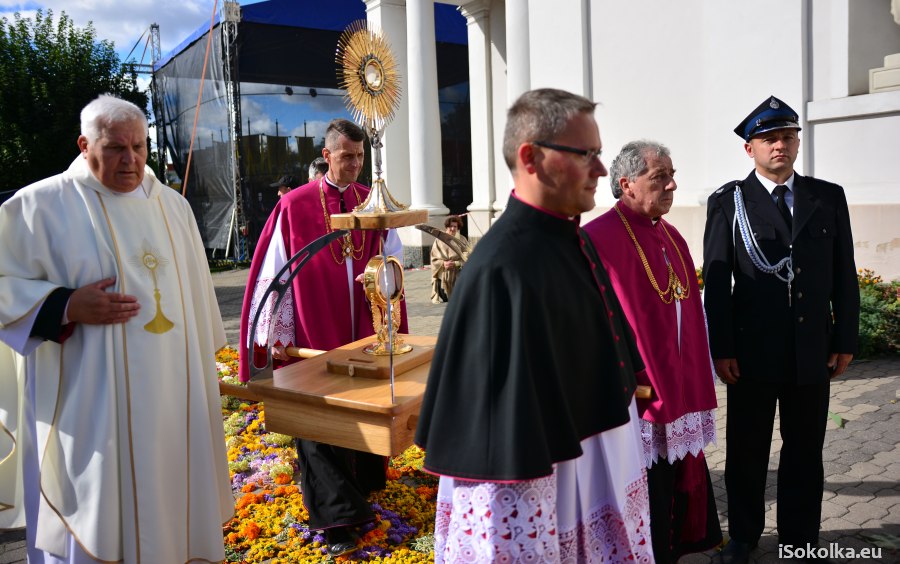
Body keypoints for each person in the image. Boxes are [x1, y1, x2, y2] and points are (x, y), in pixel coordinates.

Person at [415, 88, 653, 563]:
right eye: (587, 155)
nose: (602, 171)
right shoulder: (501, 269)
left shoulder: (568, 237)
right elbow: (496, 461)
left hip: (595, 465)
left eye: (598, 154)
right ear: (531, 158)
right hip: (544, 490)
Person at [0, 95, 232, 563]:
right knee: (93, 522)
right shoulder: (38, 205)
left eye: (140, 147)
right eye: (115, 148)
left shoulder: (174, 208)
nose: (131, 160)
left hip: (172, 402)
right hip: (89, 410)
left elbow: (199, 314)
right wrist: (64, 306)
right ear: (85, 144)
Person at [238, 118, 407, 557]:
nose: (354, 164)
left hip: (363, 328)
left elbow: (394, 256)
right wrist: (275, 332)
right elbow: (276, 271)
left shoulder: (372, 201)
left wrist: (388, 303)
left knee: (365, 405)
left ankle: (364, 486)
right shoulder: (294, 206)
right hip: (314, 327)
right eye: (346, 156)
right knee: (316, 414)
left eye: (360, 156)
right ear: (326, 155)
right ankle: (337, 519)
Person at [703, 96, 859, 563]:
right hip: (752, 351)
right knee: (747, 449)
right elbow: (716, 280)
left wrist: (844, 338)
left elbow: (842, 271)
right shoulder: (728, 201)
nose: (780, 146)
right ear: (749, 149)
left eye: (788, 137)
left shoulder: (826, 196)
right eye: (769, 139)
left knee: (805, 450)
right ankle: (745, 536)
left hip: (812, 348)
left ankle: (799, 540)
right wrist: (722, 347)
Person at [584, 140, 722, 563]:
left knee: (676, 481)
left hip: (678, 385)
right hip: (637, 394)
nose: (672, 185)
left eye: (671, 175)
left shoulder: (672, 235)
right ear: (626, 183)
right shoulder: (595, 238)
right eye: (660, 177)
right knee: (646, 491)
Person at [429, 215, 468, 303]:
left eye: (455, 226)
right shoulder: (438, 240)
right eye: (451, 226)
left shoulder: (462, 239)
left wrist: (456, 263)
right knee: (447, 298)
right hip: (443, 275)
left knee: (459, 296)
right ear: (447, 226)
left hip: (458, 273)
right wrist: (443, 263)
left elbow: (467, 255)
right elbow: (434, 258)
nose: (453, 229)